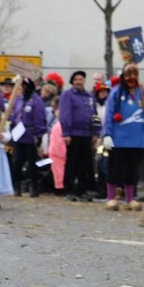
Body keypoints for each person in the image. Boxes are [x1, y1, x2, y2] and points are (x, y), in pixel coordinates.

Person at [102, 63, 144, 211]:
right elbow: (109, 114)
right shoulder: (116, 92)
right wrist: (107, 134)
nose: (131, 78)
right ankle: (111, 198)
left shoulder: (142, 93)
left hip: (137, 140)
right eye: (128, 75)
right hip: (118, 140)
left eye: (134, 75)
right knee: (115, 168)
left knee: (133, 170)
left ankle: (129, 199)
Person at [58, 70, 98, 201]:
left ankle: (82, 190)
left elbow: (94, 114)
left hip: (87, 134)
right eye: (76, 79)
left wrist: (96, 132)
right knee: (72, 163)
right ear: (72, 81)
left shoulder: (90, 96)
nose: (79, 82)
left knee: (85, 163)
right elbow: (65, 114)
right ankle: (68, 190)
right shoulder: (67, 95)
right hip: (73, 134)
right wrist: (66, 133)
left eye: (81, 79)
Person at [10, 77, 48, 198]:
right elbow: (13, 116)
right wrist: (12, 130)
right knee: (16, 162)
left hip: (30, 135)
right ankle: (17, 186)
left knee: (32, 163)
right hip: (18, 135)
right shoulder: (18, 100)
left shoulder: (36, 100)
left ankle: (34, 187)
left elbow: (40, 117)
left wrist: (39, 135)